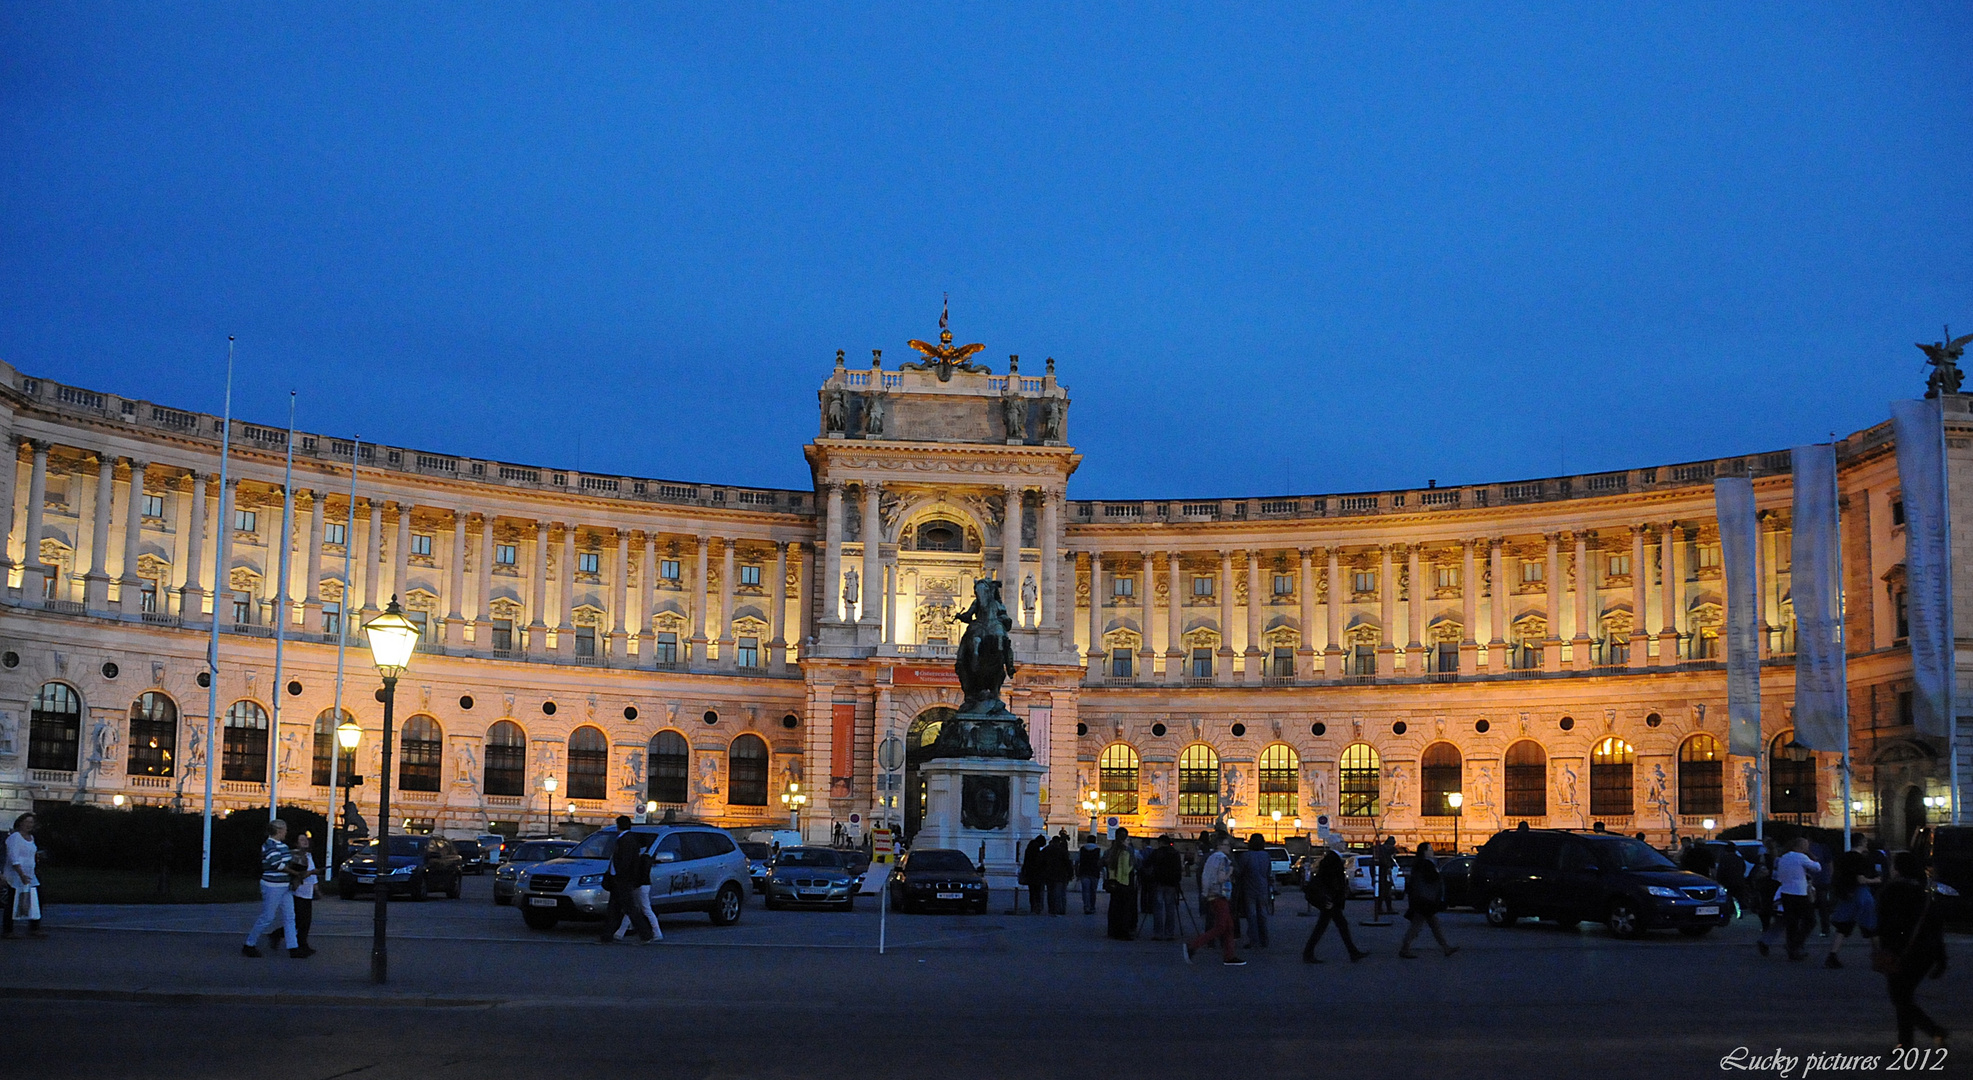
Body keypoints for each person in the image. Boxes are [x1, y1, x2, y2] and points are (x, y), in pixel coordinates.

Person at [1877, 851, 1949, 1048]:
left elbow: (1888, 925)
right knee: (1904, 996)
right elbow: (1935, 926)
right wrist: (1941, 957)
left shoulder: (1891, 891)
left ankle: (1930, 1032)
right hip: (1925, 951)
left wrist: (1886, 948)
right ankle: (1907, 1041)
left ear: (1897, 869)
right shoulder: (1924, 893)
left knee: (1900, 997)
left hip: (1901, 951)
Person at [243, 818, 305, 958]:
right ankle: (249, 944)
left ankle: (293, 947)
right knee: (268, 916)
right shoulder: (269, 845)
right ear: (279, 830)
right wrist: (296, 873)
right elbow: (278, 865)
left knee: (290, 916)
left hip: (283, 885)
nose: (286, 832)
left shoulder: (280, 845)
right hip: (273, 885)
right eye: (285, 830)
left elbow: (286, 862)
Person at [1300, 844, 1367, 964]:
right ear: (1336, 845)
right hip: (1331, 901)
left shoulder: (1331, 857)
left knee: (1336, 926)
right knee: (1327, 927)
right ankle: (1308, 953)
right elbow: (1331, 881)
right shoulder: (1333, 859)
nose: (1344, 844)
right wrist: (1332, 898)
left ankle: (1353, 952)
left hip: (1331, 900)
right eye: (1341, 842)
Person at [1184, 834, 1245, 966]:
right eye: (1227, 845)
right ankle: (1193, 946)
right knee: (1221, 926)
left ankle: (1230, 956)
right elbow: (1221, 879)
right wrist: (1231, 872)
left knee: (1229, 926)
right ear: (1219, 846)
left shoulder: (1211, 858)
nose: (1229, 848)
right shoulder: (1222, 859)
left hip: (1212, 894)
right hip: (1219, 894)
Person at [1758, 837, 1819, 961]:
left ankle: (1787, 947)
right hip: (1797, 893)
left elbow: (1777, 876)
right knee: (1806, 920)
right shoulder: (1800, 857)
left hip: (1783, 891)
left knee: (1789, 921)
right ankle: (1793, 945)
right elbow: (1817, 867)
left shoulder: (1781, 859)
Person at [1825, 833, 1880, 969]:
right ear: (1861, 842)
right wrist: (1876, 880)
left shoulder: (1843, 857)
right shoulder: (1861, 859)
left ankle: (1833, 955)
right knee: (1871, 926)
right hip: (1861, 893)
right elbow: (1860, 879)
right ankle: (1878, 957)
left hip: (1847, 894)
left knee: (1843, 927)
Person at [598, 816, 655, 945]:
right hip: (621, 880)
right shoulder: (629, 839)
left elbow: (624, 862)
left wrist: (618, 876)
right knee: (615, 908)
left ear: (618, 826)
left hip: (621, 880)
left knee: (628, 909)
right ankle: (607, 936)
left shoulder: (625, 840)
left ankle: (645, 934)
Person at [1397, 841, 1458, 959]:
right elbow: (1433, 878)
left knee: (1433, 924)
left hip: (1421, 899)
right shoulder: (1426, 865)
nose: (1432, 851)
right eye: (1430, 849)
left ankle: (1446, 947)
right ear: (1425, 851)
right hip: (1424, 900)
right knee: (1417, 926)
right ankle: (1405, 948)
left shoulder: (1419, 864)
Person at [3, 811, 44, 939]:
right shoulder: (15, 838)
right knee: (12, 901)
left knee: (36, 899)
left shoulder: (31, 838)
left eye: (31, 822)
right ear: (20, 823)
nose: (29, 825)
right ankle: (8, 930)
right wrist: (20, 873)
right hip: (16, 875)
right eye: (26, 822)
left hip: (30, 874)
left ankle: (34, 927)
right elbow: (13, 856)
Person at [1237, 834, 1273, 949]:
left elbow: (1239, 872)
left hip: (1249, 888)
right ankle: (1265, 939)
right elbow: (1268, 872)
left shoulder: (1246, 856)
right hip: (1263, 888)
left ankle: (1254, 939)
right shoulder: (1266, 856)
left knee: (1252, 915)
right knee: (1262, 914)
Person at [1103, 829, 1137, 941]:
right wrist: (1132, 865)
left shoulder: (1111, 851)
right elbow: (1126, 870)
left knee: (1114, 908)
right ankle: (1123, 931)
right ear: (1124, 839)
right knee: (1125, 909)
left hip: (1113, 883)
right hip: (1124, 882)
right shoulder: (1125, 852)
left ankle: (1112, 930)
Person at [288, 831, 318, 958]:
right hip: (299, 890)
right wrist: (310, 873)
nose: (305, 841)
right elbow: (297, 873)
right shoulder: (295, 855)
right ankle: (280, 935)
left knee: (306, 921)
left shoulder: (309, 855)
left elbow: (313, 876)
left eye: (306, 839)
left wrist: (317, 889)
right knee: (300, 920)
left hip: (308, 891)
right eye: (301, 840)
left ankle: (303, 943)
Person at [1148, 836, 1184, 941]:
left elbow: (1147, 864)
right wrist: (1177, 881)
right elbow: (1178, 868)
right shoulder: (1175, 853)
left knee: (1158, 909)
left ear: (1160, 843)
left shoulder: (1157, 853)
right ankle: (1169, 933)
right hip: (1171, 883)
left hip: (1159, 882)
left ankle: (1158, 933)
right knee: (1170, 908)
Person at [1041, 834, 1073, 916]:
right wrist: (1070, 874)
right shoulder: (1062, 851)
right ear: (1059, 842)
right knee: (1060, 893)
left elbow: (1042, 862)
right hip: (1061, 874)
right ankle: (1060, 909)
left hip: (1049, 874)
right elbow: (1068, 863)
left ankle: (1051, 908)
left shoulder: (1046, 850)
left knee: (1050, 892)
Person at [1075, 834, 1103, 915]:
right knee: (1093, 891)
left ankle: (1086, 906)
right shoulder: (1098, 850)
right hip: (1094, 872)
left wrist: (1077, 871)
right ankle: (1092, 906)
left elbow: (1077, 861)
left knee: (1085, 891)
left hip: (1084, 872)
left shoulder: (1082, 849)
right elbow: (1101, 861)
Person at [1021, 832, 1047, 915]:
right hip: (1036, 873)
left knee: (1032, 892)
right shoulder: (1036, 849)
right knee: (1037, 891)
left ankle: (1033, 907)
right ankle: (1037, 907)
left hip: (1030, 873)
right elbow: (1038, 861)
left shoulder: (1029, 847)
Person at [1373, 836, 1397, 916]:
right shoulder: (1384, 850)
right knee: (1383, 891)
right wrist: (1388, 866)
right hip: (1382, 873)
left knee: (1386, 891)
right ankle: (1381, 908)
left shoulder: (1383, 849)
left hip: (1384, 872)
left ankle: (1386, 908)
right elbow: (1383, 861)